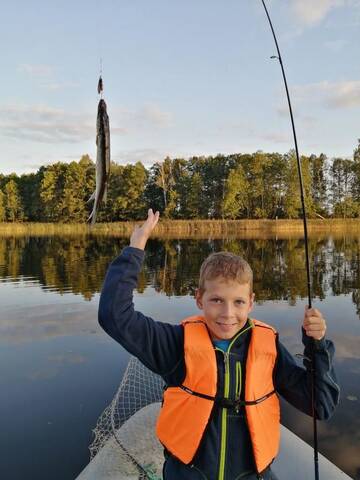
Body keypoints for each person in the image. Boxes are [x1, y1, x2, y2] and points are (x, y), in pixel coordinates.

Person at [98, 209, 340, 480]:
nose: (227, 314)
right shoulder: (175, 345)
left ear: (251, 302)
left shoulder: (267, 347)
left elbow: (321, 405)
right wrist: (136, 248)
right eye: (216, 300)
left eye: (238, 302)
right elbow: (114, 315)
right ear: (199, 299)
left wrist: (317, 346)